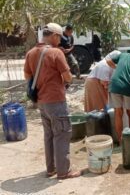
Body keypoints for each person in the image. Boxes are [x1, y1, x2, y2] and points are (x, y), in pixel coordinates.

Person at [24, 23, 81, 179]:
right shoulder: (56, 53)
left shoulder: (30, 53)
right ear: (54, 36)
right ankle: (64, 171)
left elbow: (28, 77)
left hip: (41, 101)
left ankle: (51, 169)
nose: (60, 41)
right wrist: (63, 82)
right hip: (56, 100)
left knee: (49, 135)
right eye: (59, 37)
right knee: (62, 133)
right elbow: (68, 77)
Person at [106, 53, 130, 144]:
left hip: (114, 85)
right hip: (128, 86)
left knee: (118, 112)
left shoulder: (124, 55)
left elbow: (108, 60)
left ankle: (120, 140)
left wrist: (116, 68)